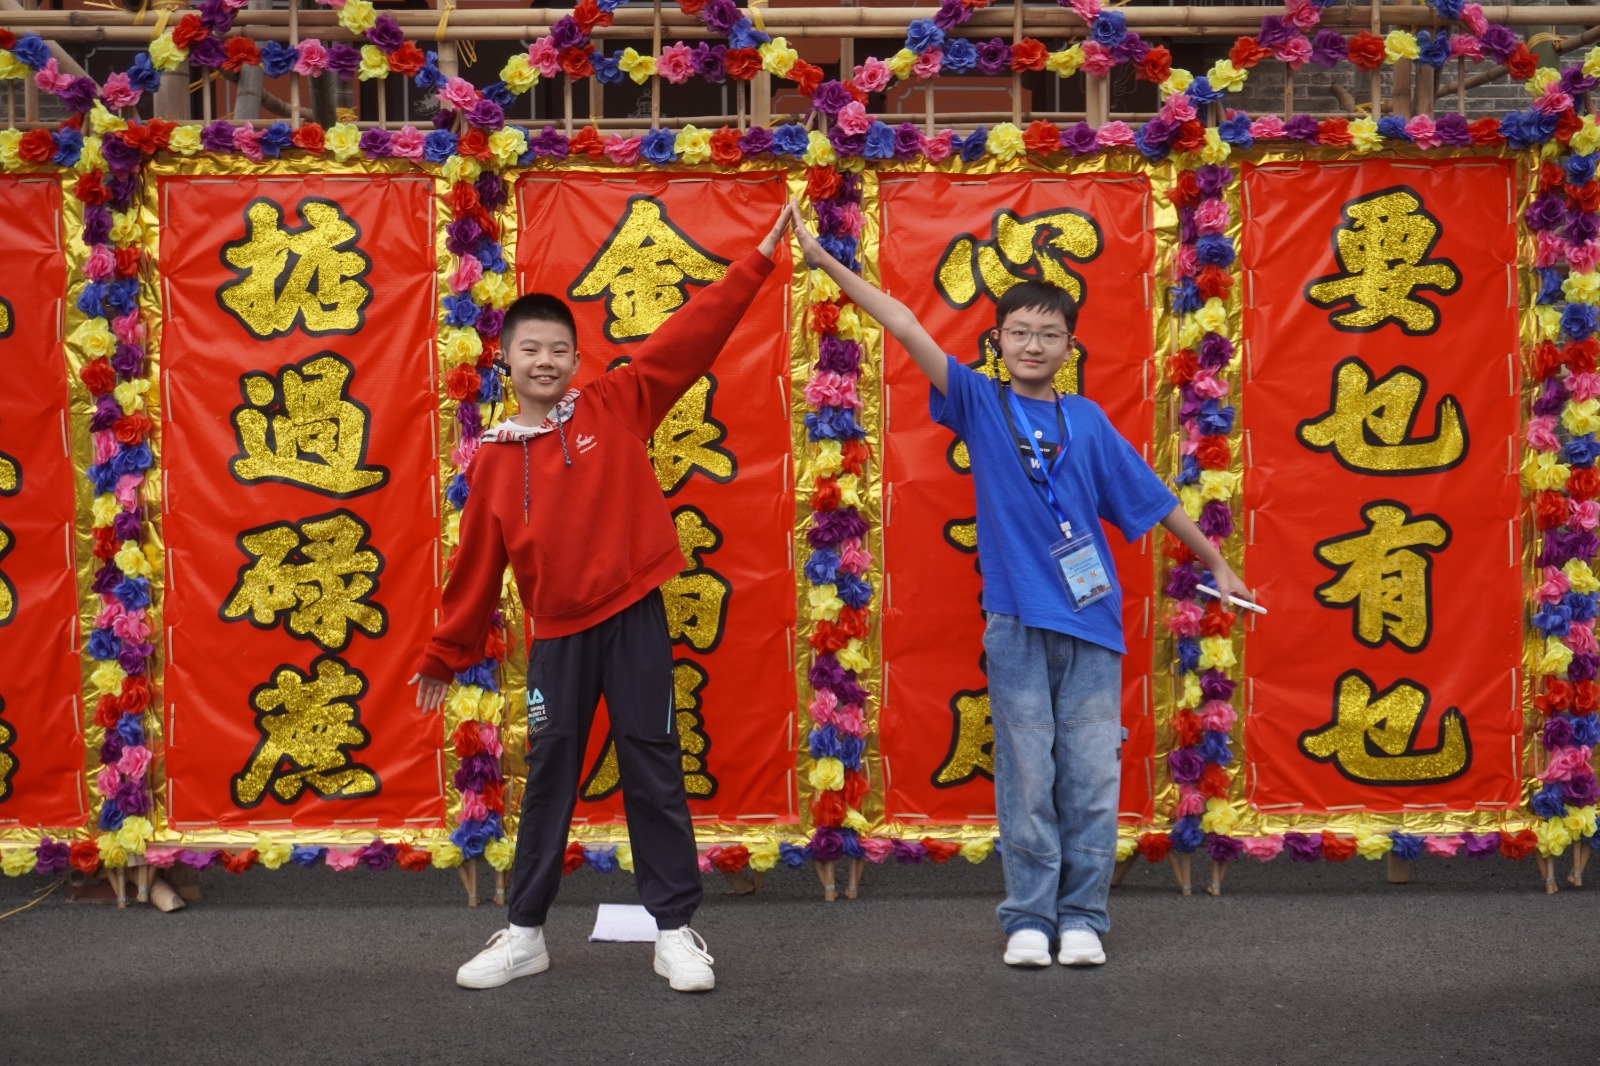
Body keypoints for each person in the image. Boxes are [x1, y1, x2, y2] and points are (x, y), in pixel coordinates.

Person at [794, 217, 1254, 969]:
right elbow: (904, 324)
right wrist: (822, 259)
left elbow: (1153, 497)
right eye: (1019, 333)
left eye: (1048, 334)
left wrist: (1218, 564)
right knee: (1028, 774)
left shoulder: (1087, 420)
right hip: (1015, 622)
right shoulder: (978, 403)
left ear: (1069, 347)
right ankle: (1031, 919)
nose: (1032, 345)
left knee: (1092, 777)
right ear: (998, 343)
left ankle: (1084, 917)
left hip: (1092, 622)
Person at [411, 202, 795, 992]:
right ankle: (524, 933)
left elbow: (692, 335)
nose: (545, 361)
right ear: (505, 361)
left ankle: (675, 932)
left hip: (633, 617)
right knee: (550, 776)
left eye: (559, 348)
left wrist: (756, 261)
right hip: (558, 637)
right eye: (530, 349)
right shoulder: (493, 461)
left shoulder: (616, 405)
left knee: (653, 766)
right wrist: (446, 653)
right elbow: (476, 567)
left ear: (576, 359)